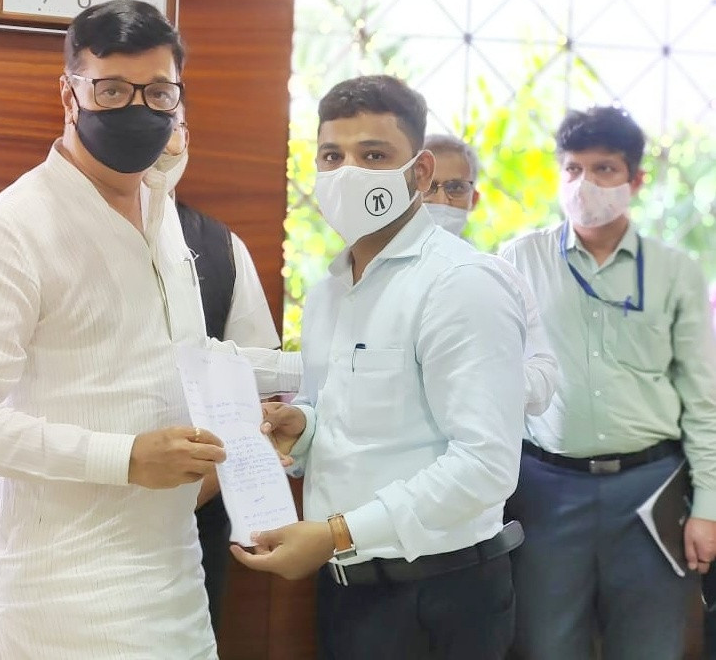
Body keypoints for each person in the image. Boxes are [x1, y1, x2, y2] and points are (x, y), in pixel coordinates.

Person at [0, 0, 300, 660]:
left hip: (176, 588)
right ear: (69, 94)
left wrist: (314, 376)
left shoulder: (165, 215)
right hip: (60, 603)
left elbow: (182, 355)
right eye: (113, 90)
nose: (138, 109)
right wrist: (124, 457)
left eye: (158, 92)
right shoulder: (12, 230)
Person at [231, 74, 528, 659]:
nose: (348, 174)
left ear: (419, 172)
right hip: (348, 589)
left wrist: (336, 533)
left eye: (373, 155)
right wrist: (303, 428)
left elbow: (486, 464)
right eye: (331, 156)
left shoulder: (461, 284)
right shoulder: (330, 290)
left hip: (443, 592)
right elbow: (349, 418)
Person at [500, 106, 716, 660]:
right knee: (545, 646)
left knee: (651, 647)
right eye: (573, 169)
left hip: (650, 491)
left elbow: (703, 398)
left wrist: (708, 505)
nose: (585, 184)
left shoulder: (675, 271)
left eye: (604, 169)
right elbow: (493, 377)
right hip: (546, 489)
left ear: (635, 180)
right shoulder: (519, 259)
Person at [153, 105, 282, 631]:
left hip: (197, 513)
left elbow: (260, 393)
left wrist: (199, 487)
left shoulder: (221, 248)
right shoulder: (52, 232)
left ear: (186, 137)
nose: (154, 136)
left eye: (169, 121)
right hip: (79, 510)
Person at [421, 133, 557, 416]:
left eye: (456, 188)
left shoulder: (501, 277)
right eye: (429, 187)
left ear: (474, 198)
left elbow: (544, 374)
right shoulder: (370, 277)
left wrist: (486, 379)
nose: (441, 199)